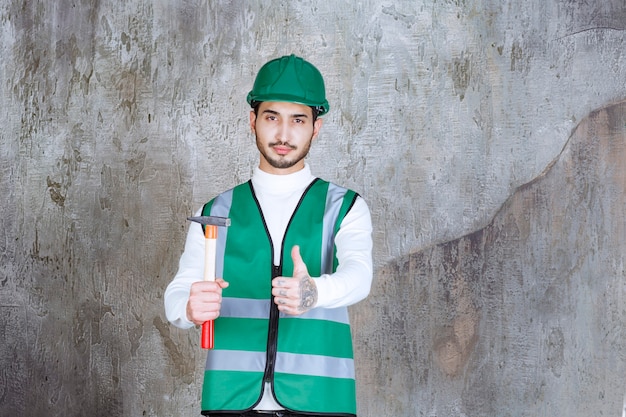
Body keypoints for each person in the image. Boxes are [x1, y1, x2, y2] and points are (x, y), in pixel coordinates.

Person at [164, 54, 373, 417]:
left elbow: (360, 276)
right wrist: (188, 307)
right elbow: (180, 290)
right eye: (272, 117)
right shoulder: (216, 211)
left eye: (298, 120)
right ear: (253, 121)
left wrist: (315, 292)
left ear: (316, 128)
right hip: (231, 401)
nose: (283, 134)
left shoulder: (345, 206)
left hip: (320, 399)